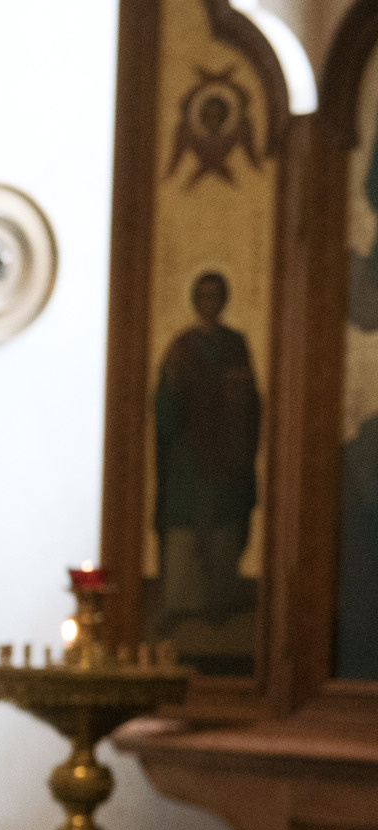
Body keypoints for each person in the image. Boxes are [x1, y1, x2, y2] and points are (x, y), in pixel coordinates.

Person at [153, 270, 261, 633]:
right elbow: (166, 401)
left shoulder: (235, 345)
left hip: (227, 451)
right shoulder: (182, 346)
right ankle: (178, 605)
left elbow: (250, 401)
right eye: (203, 296)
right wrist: (173, 394)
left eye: (216, 296)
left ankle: (219, 602)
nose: (210, 303)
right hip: (187, 453)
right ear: (195, 301)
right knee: (183, 521)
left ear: (224, 300)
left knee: (222, 522)